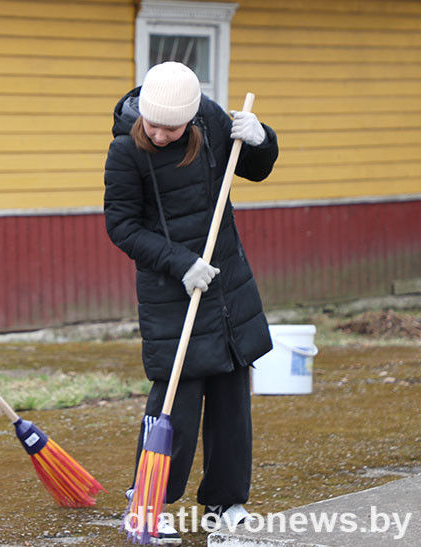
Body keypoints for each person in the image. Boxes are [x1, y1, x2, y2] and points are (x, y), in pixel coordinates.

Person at [104, 61, 279, 544]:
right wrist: (181, 263)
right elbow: (121, 226)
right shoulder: (125, 151)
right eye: (153, 125)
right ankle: (149, 502)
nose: (159, 134)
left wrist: (262, 139)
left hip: (226, 284)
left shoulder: (213, 121)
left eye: (171, 127)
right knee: (174, 402)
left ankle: (226, 502)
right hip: (171, 290)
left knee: (230, 400)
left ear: (190, 117)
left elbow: (254, 169)